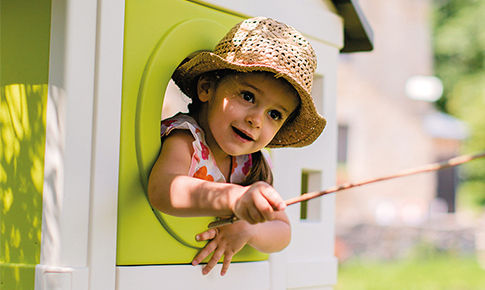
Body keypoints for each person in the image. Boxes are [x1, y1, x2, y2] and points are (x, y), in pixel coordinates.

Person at [148, 16, 326, 276]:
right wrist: (235, 198)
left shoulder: (251, 163)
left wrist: (249, 230)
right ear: (207, 88)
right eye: (248, 96)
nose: (256, 120)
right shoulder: (186, 138)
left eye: (274, 114)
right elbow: (163, 189)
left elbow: (283, 232)